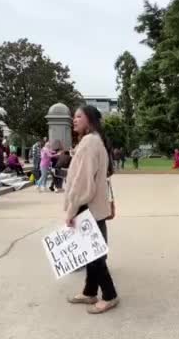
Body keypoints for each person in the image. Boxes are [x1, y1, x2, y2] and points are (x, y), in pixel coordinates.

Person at [64, 105, 119, 314]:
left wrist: (71, 209)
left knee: (95, 255)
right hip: (94, 207)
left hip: (87, 207)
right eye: (73, 117)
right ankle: (89, 292)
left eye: (79, 116)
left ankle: (110, 295)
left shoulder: (89, 143)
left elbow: (82, 182)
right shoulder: (95, 141)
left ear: (89, 120)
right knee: (90, 253)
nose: (74, 120)